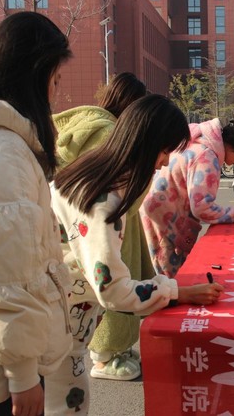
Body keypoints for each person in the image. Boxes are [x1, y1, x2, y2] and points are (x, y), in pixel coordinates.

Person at [49, 94, 223, 415]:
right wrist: (178, 292)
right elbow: (113, 290)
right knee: (67, 405)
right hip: (55, 331)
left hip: (56, 321)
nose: (164, 163)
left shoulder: (91, 174)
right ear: (146, 143)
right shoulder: (103, 202)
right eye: (164, 151)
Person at [0, 12, 73, 416]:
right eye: (55, 79)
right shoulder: (2, 155)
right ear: (34, 75)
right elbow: (1, 276)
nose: (55, 93)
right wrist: (23, 375)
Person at [54, 72, 149, 382]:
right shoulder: (108, 133)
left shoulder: (89, 125)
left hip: (84, 227)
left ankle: (110, 351)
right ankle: (106, 355)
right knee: (110, 285)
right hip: (104, 223)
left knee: (98, 287)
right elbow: (123, 196)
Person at [141, 119, 234, 277]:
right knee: (171, 278)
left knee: (155, 272)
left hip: (156, 211)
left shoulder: (198, 143)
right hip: (165, 222)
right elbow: (202, 207)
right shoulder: (206, 157)